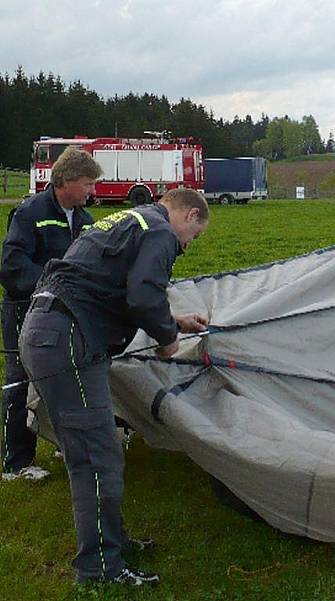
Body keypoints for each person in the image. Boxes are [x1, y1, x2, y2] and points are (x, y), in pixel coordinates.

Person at [19, 188, 210, 586]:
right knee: (97, 459)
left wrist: (174, 321)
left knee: (91, 454)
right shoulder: (160, 231)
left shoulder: (131, 219)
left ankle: (112, 543)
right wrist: (168, 340)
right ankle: (100, 569)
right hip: (70, 339)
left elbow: (112, 289)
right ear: (190, 215)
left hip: (48, 330)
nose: (189, 246)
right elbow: (143, 295)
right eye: (195, 237)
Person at [0, 147, 99, 481]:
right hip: (24, 310)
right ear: (65, 181)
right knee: (20, 380)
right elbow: (11, 265)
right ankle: (16, 462)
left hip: (67, 315)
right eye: (87, 183)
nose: (92, 190)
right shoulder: (30, 213)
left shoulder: (85, 221)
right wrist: (50, 286)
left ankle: (63, 442)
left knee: (67, 377)